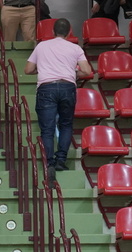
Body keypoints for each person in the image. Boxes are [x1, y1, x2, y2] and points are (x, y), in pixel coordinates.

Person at [24, 18, 93, 178]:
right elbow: (87, 70)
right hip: (67, 87)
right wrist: (72, 72)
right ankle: (61, 160)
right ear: (69, 32)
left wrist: (41, 69)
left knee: (47, 129)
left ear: (53, 32)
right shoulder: (75, 48)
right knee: (66, 124)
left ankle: (48, 163)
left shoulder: (42, 46)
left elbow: (28, 69)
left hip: (46, 87)